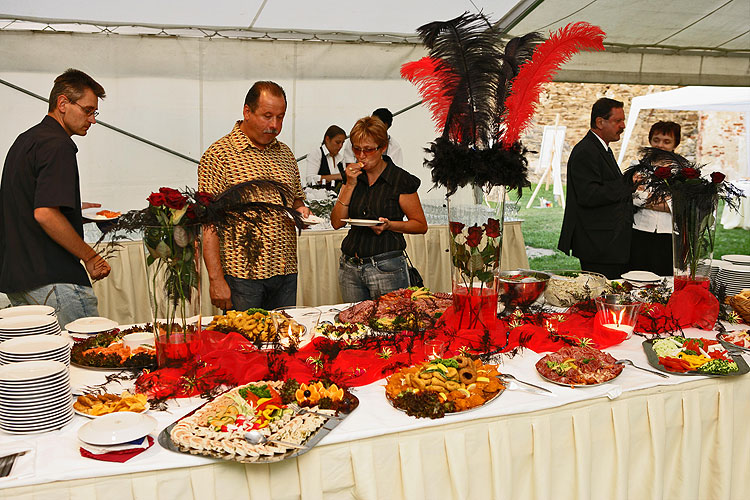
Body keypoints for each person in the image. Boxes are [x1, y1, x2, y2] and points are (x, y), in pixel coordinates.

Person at [0, 68, 111, 326]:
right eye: (87, 110)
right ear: (63, 103)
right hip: (53, 277)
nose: (92, 119)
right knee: (88, 356)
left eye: (94, 112)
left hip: (18, 277)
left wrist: (71, 207)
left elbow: (24, 201)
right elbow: (45, 213)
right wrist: (91, 257)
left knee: (49, 360)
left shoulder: (26, 140)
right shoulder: (57, 144)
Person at [199, 81, 311, 311]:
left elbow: (296, 199)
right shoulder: (219, 155)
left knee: (285, 342)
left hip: (286, 269)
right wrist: (216, 280)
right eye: (267, 116)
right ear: (247, 112)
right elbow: (208, 223)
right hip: (242, 275)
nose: (275, 125)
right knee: (244, 344)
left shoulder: (286, 154)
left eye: (280, 117)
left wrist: (301, 210)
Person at [331, 116, 427, 301]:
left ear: (382, 148)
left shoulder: (399, 179)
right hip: (350, 266)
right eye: (356, 149)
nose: (361, 156)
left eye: (368, 150)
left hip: (386, 266)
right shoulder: (353, 177)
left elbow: (420, 225)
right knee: (354, 325)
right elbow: (336, 222)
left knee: (389, 324)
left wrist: (390, 225)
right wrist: (349, 185)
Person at [558, 97, 633, 279]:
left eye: (623, 120)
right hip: (598, 243)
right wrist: (628, 184)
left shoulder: (602, 149)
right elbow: (589, 195)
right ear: (600, 122)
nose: (623, 126)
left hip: (607, 242)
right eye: (618, 121)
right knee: (600, 296)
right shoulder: (586, 151)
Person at [628, 121, 681, 275]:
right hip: (639, 231)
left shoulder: (682, 171)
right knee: (637, 277)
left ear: (675, 144)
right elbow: (634, 198)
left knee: (665, 279)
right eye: (656, 140)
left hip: (668, 234)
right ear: (650, 140)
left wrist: (647, 198)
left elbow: (678, 205)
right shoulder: (637, 167)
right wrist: (663, 201)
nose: (660, 145)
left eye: (667, 141)